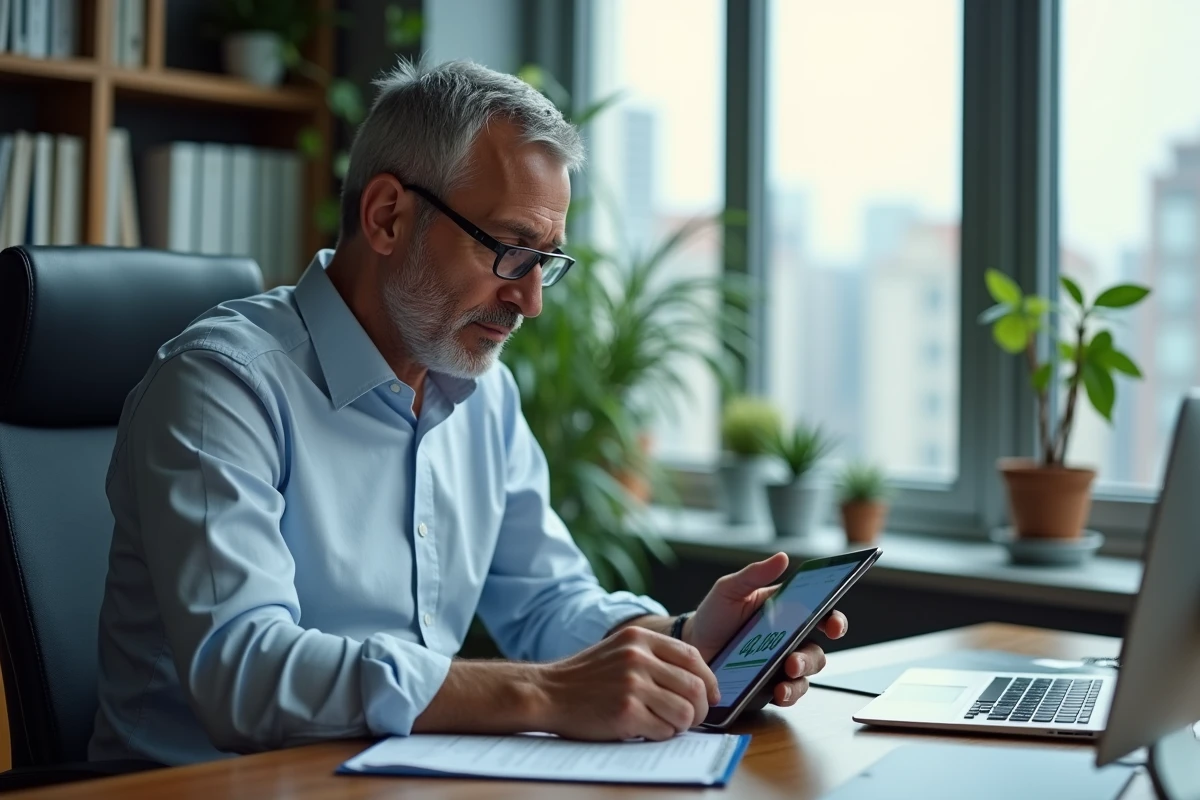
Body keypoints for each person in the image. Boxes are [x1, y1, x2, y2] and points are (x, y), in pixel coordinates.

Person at [89, 59, 848, 766]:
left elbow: (548, 601)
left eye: (546, 260)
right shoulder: (221, 384)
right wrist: (543, 693)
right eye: (511, 249)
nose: (531, 300)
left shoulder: (482, 392)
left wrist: (682, 642)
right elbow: (246, 674)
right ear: (387, 217)